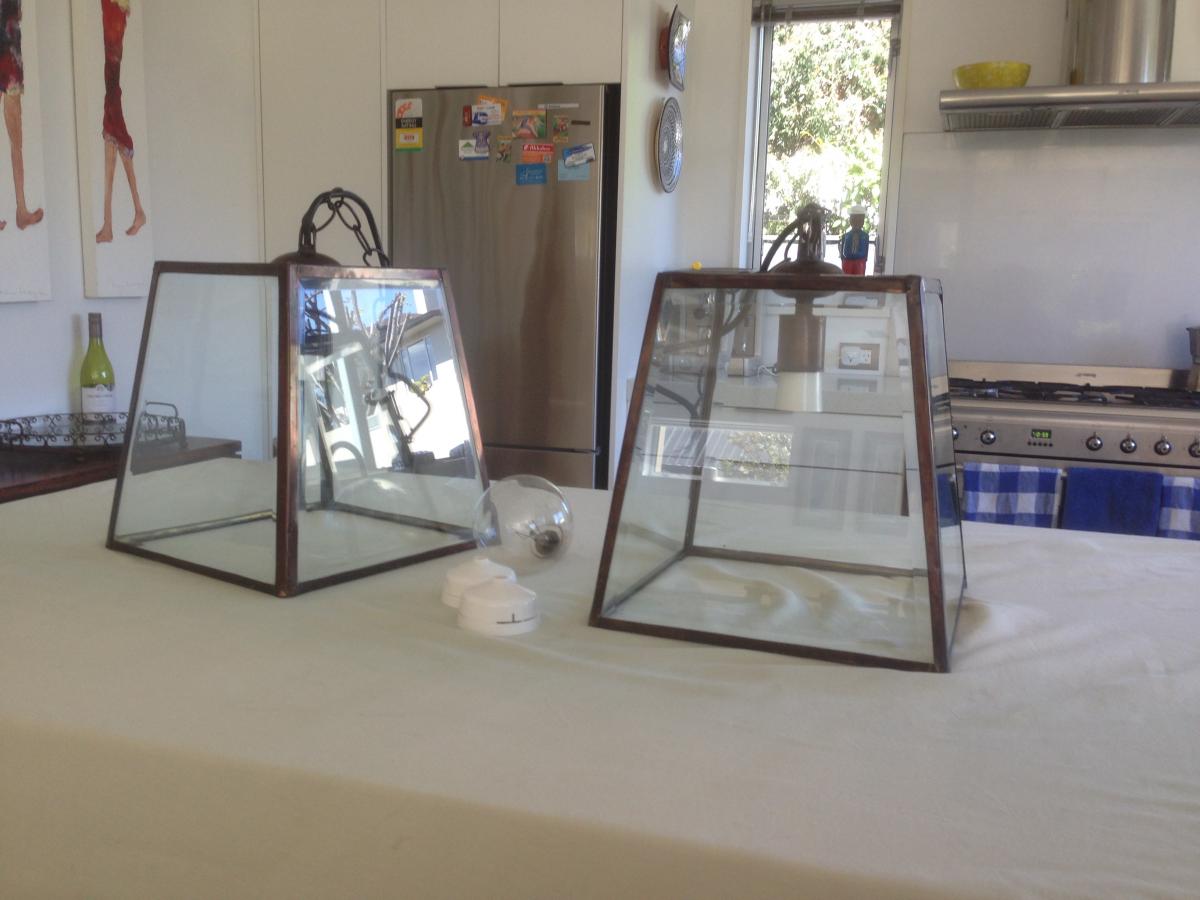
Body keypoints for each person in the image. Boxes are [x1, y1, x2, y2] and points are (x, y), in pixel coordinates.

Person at [96, 0, 145, 243]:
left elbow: (113, 53)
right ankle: (113, 221)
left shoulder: (115, 9)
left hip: (112, 81)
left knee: (114, 135)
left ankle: (123, 217)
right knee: (111, 138)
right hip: (111, 82)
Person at [0, 0, 44, 233]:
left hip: (10, 51)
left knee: (16, 137)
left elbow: (17, 14)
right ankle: (21, 208)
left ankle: (22, 208)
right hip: (8, 47)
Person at [838, 204, 870, 275]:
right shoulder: (846, 236)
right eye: (854, 218)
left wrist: (864, 260)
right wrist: (843, 260)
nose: (857, 221)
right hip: (847, 261)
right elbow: (842, 252)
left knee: (858, 278)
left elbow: (866, 251)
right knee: (847, 278)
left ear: (863, 221)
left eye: (860, 219)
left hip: (860, 262)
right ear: (850, 220)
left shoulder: (865, 236)